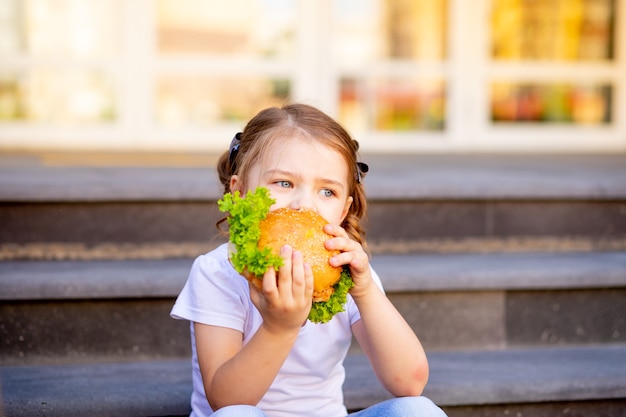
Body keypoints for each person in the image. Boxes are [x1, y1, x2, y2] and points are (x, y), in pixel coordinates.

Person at [171, 103, 447, 417]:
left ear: (343, 210)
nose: (304, 205)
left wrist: (366, 291)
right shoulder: (217, 272)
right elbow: (226, 400)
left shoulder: (350, 275)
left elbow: (409, 383)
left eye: (327, 191)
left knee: (418, 410)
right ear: (240, 192)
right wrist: (279, 329)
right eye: (284, 184)